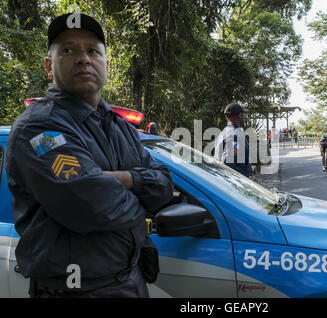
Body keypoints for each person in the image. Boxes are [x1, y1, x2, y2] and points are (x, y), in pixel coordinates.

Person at [5, 13, 173, 298]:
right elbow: (87, 204)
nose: (83, 58)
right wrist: (140, 204)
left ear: (106, 66)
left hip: (130, 281)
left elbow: (164, 184)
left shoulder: (120, 126)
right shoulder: (39, 128)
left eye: (93, 51)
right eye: (68, 50)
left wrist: (125, 180)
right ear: (49, 67)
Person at [214, 102, 252, 177]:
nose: (245, 117)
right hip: (236, 182)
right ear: (240, 115)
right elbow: (228, 163)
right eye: (243, 114)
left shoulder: (226, 131)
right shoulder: (234, 136)